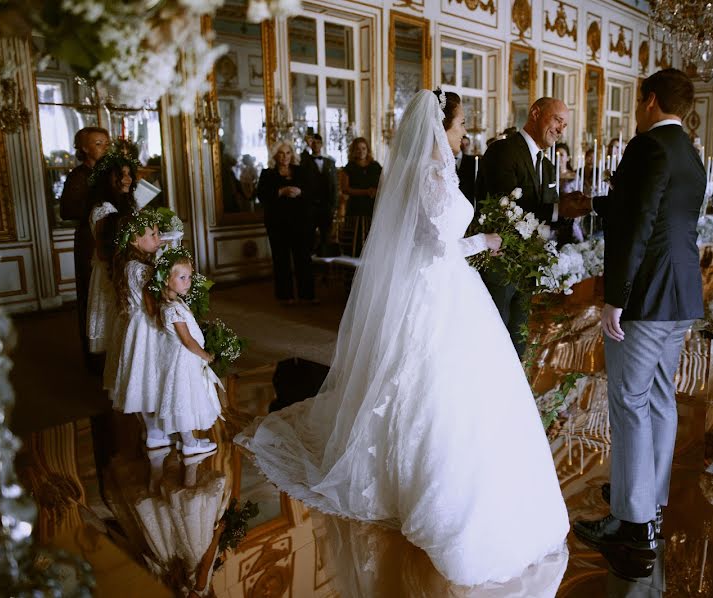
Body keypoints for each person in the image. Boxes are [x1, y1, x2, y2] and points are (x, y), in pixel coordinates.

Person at [234, 89, 569, 586]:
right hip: (439, 289)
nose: (463, 134)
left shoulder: (431, 171)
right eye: (458, 126)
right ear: (440, 127)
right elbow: (440, 246)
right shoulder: (432, 174)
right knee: (429, 384)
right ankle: (418, 485)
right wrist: (487, 241)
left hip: (445, 290)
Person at [564, 68, 705, 562]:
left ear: (649, 102)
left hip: (644, 296)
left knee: (628, 402)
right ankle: (649, 499)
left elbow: (640, 223)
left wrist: (616, 296)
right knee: (661, 398)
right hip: (682, 293)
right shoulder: (690, 152)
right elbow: (653, 207)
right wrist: (594, 204)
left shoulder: (646, 146)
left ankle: (633, 524)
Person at [474, 97, 586, 355]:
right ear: (535, 113)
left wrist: (570, 210)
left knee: (518, 342)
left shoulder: (547, 166)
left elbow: (545, 214)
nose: (561, 129)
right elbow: (504, 209)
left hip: (528, 267)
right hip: (498, 264)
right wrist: (559, 208)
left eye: (565, 125)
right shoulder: (503, 151)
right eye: (557, 120)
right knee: (493, 340)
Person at [105, 210, 169, 448]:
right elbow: (152, 307)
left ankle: (149, 428)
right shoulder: (143, 270)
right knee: (150, 378)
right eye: (152, 234)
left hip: (132, 325)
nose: (158, 237)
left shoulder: (128, 264)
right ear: (134, 240)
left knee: (137, 377)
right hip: (146, 327)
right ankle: (154, 431)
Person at [150, 248, 221, 456]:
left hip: (182, 359)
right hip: (183, 362)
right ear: (166, 280)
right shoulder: (172, 309)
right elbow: (188, 341)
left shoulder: (173, 302)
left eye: (189, 277)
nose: (188, 282)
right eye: (182, 277)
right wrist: (205, 355)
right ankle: (190, 443)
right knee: (184, 401)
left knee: (184, 400)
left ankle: (185, 440)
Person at [60, 126, 110, 370]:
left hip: (108, 238)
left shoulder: (108, 173)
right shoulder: (77, 176)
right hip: (88, 242)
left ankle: (112, 352)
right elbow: (67, 211)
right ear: (84, 148)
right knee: (90, 296)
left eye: (106, 143)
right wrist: (99, 203)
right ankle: (93, 358)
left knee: (108, 295)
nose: (105, 147)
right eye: (99, 143)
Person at [86, 150, 139, 356]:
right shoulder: (104, 209)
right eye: (121, 175)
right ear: (108, 179)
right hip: (110, 272)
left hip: (122, 268)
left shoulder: (124, 203)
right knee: (115, 324)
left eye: (129, 174)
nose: (127, 179)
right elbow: (103, 251)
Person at [258, 140, 316, 304]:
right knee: (281, 259)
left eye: (288, 153)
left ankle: (307, 295)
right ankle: (285, 296)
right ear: (276, 155)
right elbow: (261, 196)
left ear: (292, 154)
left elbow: (312, 192)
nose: (285, 157)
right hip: (277, 223)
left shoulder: (301, 172)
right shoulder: (268, 173)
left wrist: (300, 192)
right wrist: (280, 191)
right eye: (282, 153)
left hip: (301, 222)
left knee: (303, 258)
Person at [339, 137, 382, 256]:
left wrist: (375, 191)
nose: (361, 151)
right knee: (355, 239)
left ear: (367, 150)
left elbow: (383, 183)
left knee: (371, 233)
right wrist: (365, 192)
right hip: (355, 207)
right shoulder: (349, 167)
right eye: (358, 149)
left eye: (363, 148)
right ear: (354, 151)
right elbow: (345, 189)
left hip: (371, 206)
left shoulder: (375, 166)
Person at [300, 134, 338, 256]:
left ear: (322, 144)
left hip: (326, 207)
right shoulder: (305, 161)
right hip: (310, 207)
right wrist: (306, 146)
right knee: (309, 238)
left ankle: (326, 269)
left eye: (318, 143)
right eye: (313, 143)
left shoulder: (330, 162)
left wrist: (334, 206)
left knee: (326, 238)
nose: (315, 145)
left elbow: (334, 185)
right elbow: (301, 162)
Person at [455, 139, 478, 205]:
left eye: (466, 144)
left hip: (469, 202)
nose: (464, 147)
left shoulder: (473, 161)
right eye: (462, 144)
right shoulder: (444, 160)